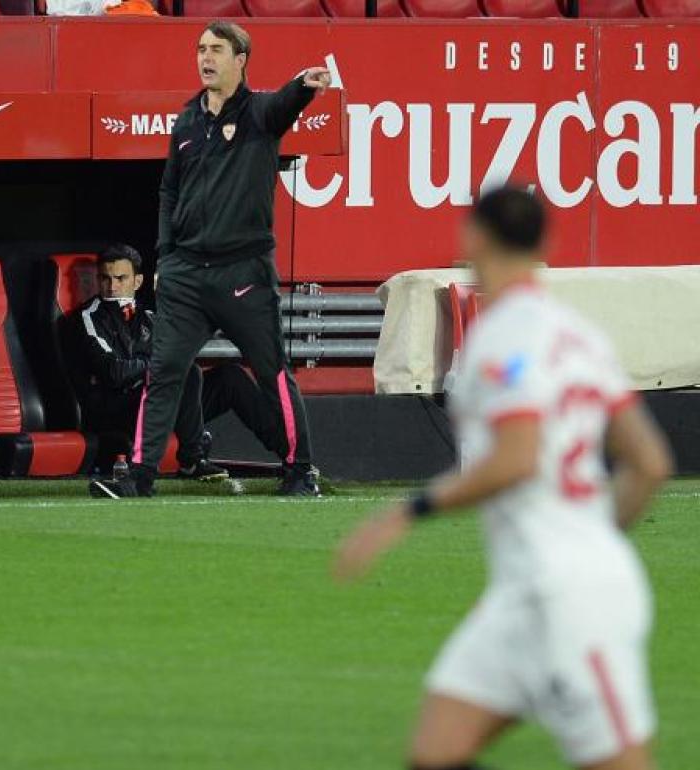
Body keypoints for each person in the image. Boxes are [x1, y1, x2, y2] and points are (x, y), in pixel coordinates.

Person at [334, 186, 673, 770]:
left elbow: (517, 458)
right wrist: (597, 541)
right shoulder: (579, 335)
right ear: (546, 243)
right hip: (523, 596)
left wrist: (407, 511)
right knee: (436, 752)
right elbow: (649, 463)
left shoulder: (502, 336)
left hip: (571, 599)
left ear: (474, 238)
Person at [96, 20, 332, 499]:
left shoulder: (261, 113)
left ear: (240, 59)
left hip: (243, 271)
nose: (206, 57)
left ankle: (299, 469)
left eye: (217, 49)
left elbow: (285, 102)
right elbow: (169, 190)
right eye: (201, 49)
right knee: (163, 371)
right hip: (185, 273)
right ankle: (140, 476)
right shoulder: (186, 122)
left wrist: (303, 88)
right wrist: (166, 255)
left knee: (271, 372)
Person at [76, 244, 285, 495]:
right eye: (105, 278)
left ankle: (291, 456)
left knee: (230, 376)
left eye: (120, 278)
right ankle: (192, 459)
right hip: (119, 409)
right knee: (186, 373)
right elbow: (115, 373)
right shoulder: (89, 317)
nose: (112, 286)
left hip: (160, 402)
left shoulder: (151, 316)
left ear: (138, 280)